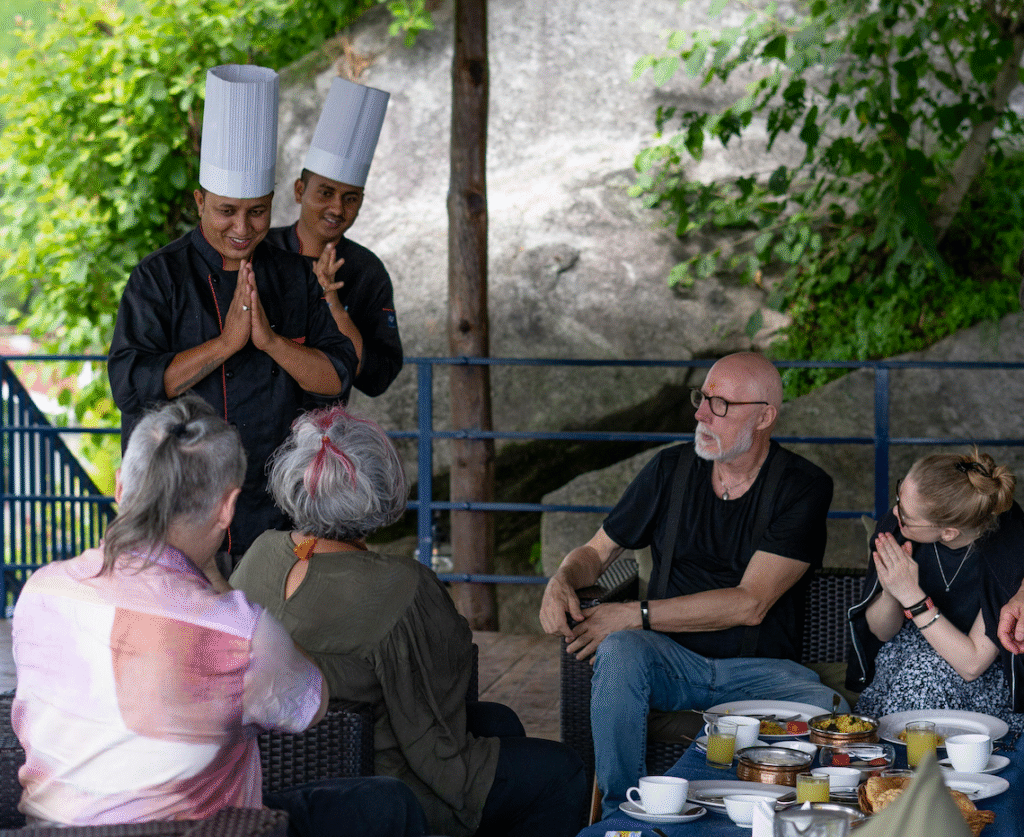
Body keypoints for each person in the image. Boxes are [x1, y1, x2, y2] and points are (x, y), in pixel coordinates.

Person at [10, 394, 427, 836]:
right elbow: (314, 702)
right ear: (227, 507)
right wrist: (220, 587)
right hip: (206, 830)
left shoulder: (42, 590)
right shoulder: (236, 633)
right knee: (388, 804)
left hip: (49, 830)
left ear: (119, 487)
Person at [230, 406, 588, 837]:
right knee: (563, 770)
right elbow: (450, 669)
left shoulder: (260, 551)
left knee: (498, 721)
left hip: (275, 765)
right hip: (379, 781)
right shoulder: (402, 584)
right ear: (381, 488)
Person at [539, 351, 845, 817]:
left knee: (832, 712)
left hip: (759, 672)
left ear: (765, 417)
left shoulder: (802, 486)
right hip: (671, 664)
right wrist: (563, 578)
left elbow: (751, 604)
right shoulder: (670, 470)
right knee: (622, 651)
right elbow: (597, 552)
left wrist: (635, 614)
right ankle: (625, 811)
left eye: (720, 404)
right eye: (702, 397)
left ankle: (778, 816)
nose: (701, 413)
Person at [108, 64, 357, 566]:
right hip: (174, 510)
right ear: (200, 202)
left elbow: (337, 378)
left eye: (257, 211)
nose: (243, 227)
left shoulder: (294, 276)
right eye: (226, 211)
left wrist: (270, 343)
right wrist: (224, 344)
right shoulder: (158, 278)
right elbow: (130, 385)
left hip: (276, 512)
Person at [848, 449, 1024, 730]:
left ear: (948, 532)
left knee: (925, 669)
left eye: (906, 516)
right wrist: (893, 587)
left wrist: (912, 597)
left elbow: (972, 664)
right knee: (913, 664)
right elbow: (882, 632)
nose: (895, 514)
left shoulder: (1008, 552)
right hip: (904, 662)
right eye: (898, 498)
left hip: (975, 676)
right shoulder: (896, 529)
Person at [266, 77, 402, 397]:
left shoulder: (367, 271)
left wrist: (333, 303)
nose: (337, 208)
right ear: (300, 191)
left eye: (350, 198)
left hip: (325, 431)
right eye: (325, 193)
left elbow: (378, 378)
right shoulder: (261, 252)